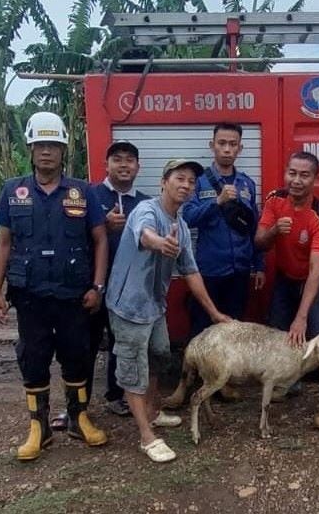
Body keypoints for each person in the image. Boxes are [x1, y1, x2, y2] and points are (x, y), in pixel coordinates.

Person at [0, 111, 109, 462]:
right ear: (30, 148)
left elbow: (100, 240)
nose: (46, 152)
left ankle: (79, 418)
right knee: (34, 358)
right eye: (40, 145)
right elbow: (3, 244)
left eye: (53, 146)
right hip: (31, 295)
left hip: (74, 294)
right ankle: (38, 428)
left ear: (63, 151)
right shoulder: (14, 191)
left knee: (77, 355)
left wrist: (97, 287)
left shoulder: (82, 191)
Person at [106, 159, 232, 463]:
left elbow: (191, 273)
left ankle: (151, 412)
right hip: (128, 308)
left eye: (191, 181)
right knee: (133, 369)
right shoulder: (146, 210)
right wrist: (160, 243)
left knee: (159, 356)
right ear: (164, 181)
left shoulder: (184, 228)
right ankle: (146, 437)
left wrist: (215, 313)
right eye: (180, 178)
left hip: (154, 307)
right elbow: (145, 234)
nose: (186, 185)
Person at [51, 141, 149, 429]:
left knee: (122, 346)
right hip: (92, 287)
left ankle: (116, 397)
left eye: (130, 160)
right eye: (117, 159)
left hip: (127, 292)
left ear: (138, 167)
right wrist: (102, 226)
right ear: (106, 165)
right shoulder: (87, 195)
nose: (123, 165)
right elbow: (68, 236)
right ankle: (75, 408)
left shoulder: (144, 203)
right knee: (83, 347)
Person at [254, 151, 319, 431]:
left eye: (304, 175)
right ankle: (291, 385)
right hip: (285, 278)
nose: (297, 180)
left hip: (317, 280)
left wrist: (302, 315)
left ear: (315, 179)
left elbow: (316, 271)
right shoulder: (274, 200)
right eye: (292, 172)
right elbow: (259, 243)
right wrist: (274, 231)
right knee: (279, 334)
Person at [183, 123, 264, 337]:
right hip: (209, 271)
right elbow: (188, 218)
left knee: (233, 330)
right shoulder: (198, 182)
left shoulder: (247, 184)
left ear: (240, 148)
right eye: (222, 143)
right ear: (212, 146)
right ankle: (197, 371)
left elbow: (254, 227)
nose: (227, 149)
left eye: (232, 144)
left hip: (240, 271)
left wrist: (259, 264)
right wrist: (217, 202)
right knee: (202, 330)